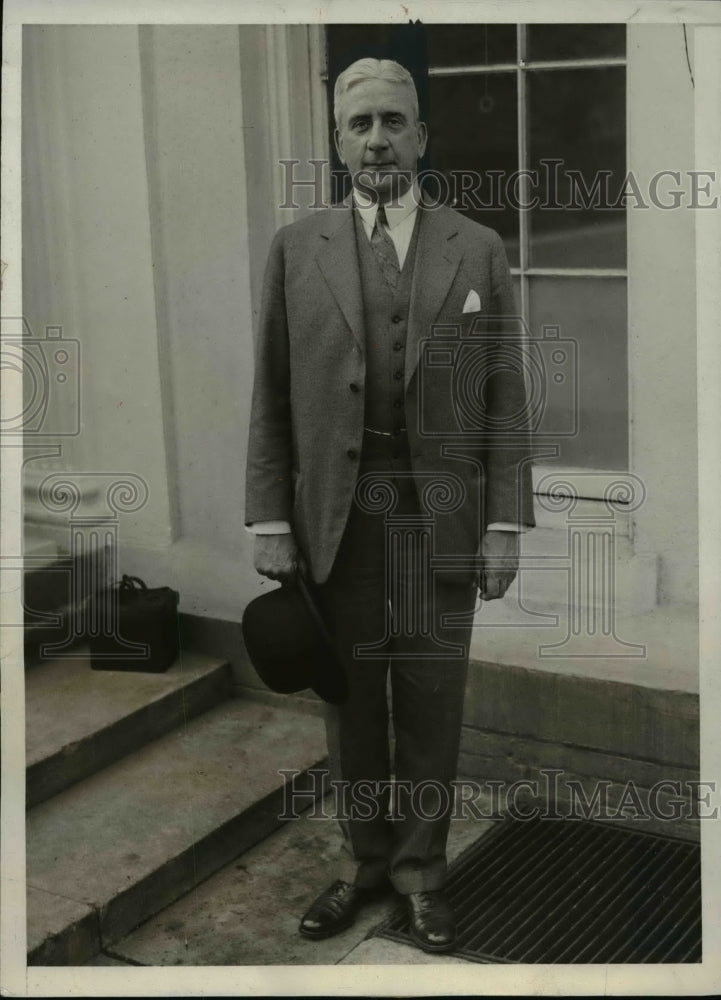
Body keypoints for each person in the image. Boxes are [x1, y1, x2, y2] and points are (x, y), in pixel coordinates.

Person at [245, 57, 534, 953]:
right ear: (337, 142)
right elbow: (272, 394)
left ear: (422, 137)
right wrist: (269, 520)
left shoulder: (476, 247)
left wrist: (501, 524)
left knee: (432, 702)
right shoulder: (297, 250)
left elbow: (503, 397)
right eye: (358, 123)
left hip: (440, 525)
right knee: (352, 707)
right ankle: (365, 864)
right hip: (335, 524)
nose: (377, 139)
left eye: (392, 122)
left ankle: (423, 874)